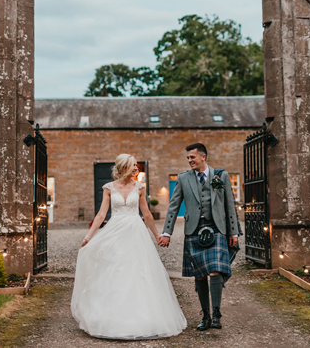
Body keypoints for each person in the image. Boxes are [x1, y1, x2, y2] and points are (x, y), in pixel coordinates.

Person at [71, 154, 187, 339]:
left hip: (135, 232)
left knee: (137, 270)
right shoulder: (108, 188)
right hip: (114, 231)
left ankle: (142, 317)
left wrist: (157, 234)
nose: (136, 168)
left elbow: (147, 214)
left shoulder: (139, 187)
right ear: (124, 167)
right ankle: (110, 317)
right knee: (114, 269)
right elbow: (101, 215)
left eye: (136, 166)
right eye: (133, 166)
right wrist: (88, 237)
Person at [158, 143, 240, 331]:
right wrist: (166, 232)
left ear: (203, 157)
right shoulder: (183, 178)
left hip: (217, 228)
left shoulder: (220, 176)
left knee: (216, 271)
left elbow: (230, 205)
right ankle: (205, 316)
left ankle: (217, 315)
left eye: (192, 157)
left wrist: (233, 232)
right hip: (194, 230)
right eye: (188, 158)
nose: (189, 161)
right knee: (200, 275)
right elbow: (173, 206)